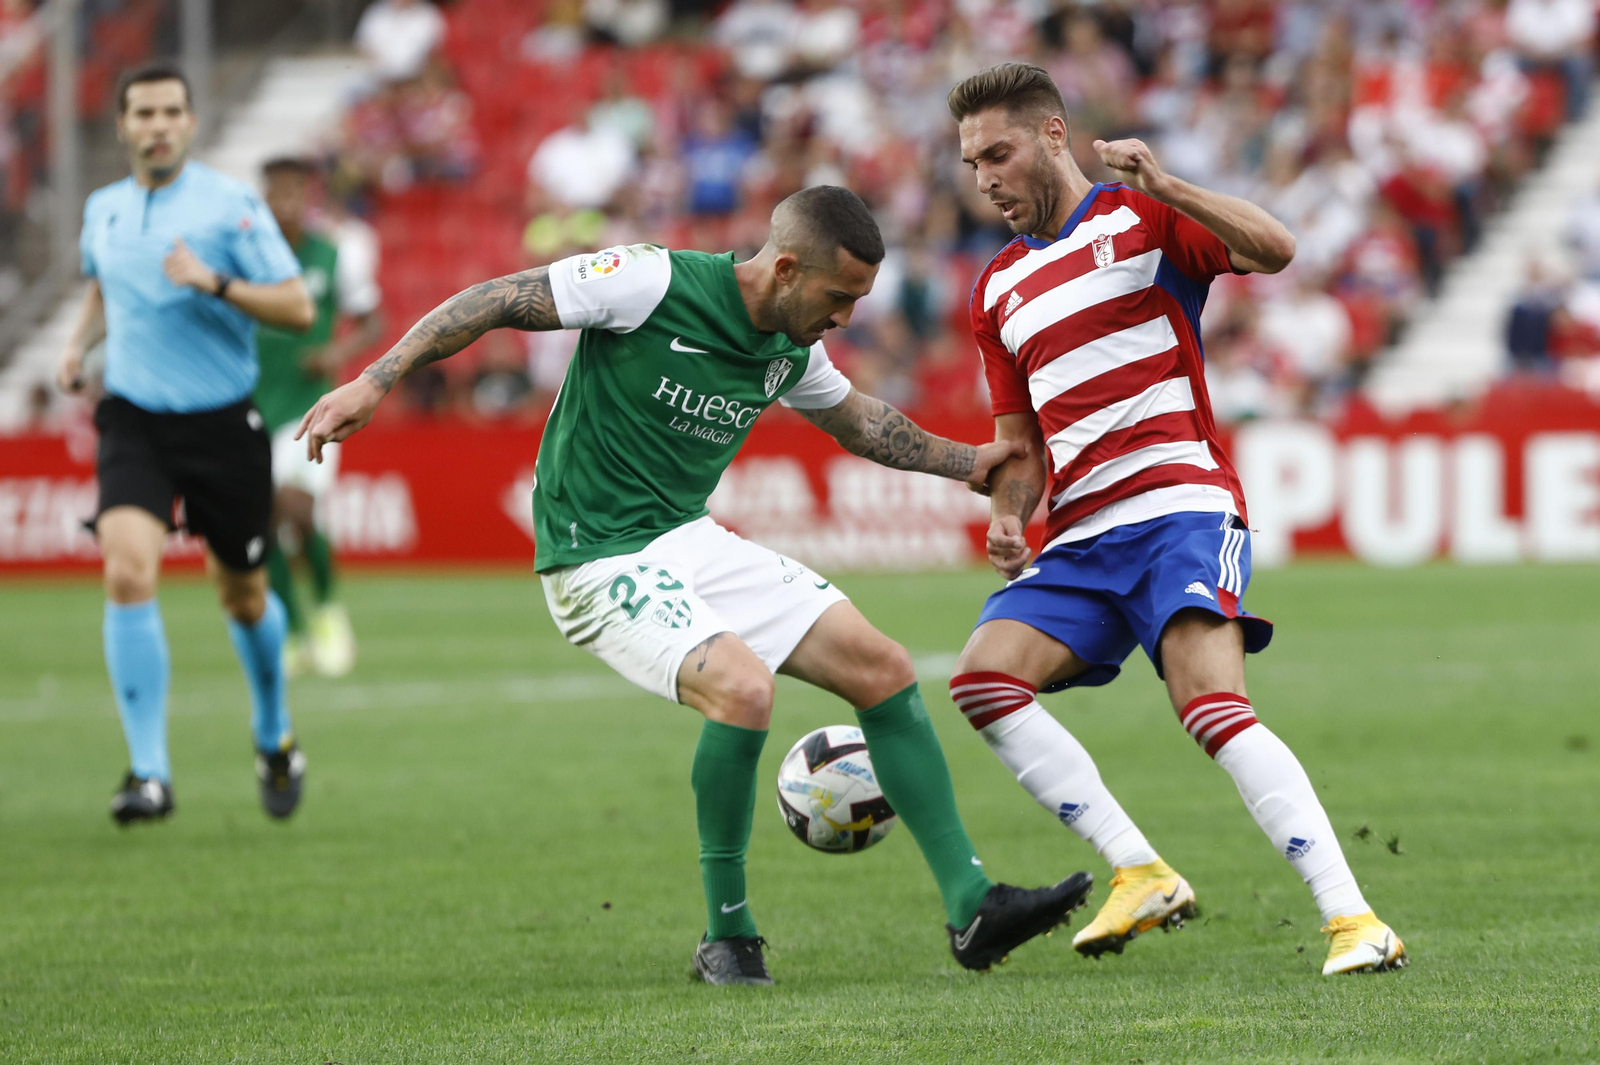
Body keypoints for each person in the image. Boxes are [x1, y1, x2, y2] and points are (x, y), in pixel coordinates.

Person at [299, 185, 1094, 984]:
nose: (847, 317)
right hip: (594, 554)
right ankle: (728, 935)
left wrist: (968, 463)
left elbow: (858, 422)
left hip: (687, 536)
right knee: (744, 691)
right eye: (839, 296)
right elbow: (496, 299)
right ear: (786, 268)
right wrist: (376, 379)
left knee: (883, 667)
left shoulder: (792, 345)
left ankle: (972, 905)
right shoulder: (648, 283)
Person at [944, 62, 1407, 977]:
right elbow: (1020, 445)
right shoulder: (996, 290)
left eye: (997, 152)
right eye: (969, 164)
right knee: (984, 683)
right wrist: (1007, 516)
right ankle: (1140, 868)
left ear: (1051, 135)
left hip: (1177, 506)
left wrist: (1164, 182)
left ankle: (1354, 918)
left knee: (1210, 706)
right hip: (1078, 535)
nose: (985, 177)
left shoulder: (1141, 220)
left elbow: (1275, 249)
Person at [55, 61, 315, 824]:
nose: (159, 125)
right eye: (144, 113)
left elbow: (297, 306)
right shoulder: (103, 208)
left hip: (221, 423)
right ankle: (149, 773)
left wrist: (214, 283)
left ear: (191, 123)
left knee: (242, 595)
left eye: (172, 112)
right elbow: (104, 283)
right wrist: (77, 346)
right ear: (124, 126)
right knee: (128, 571)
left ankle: (274, 732)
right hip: (134, 419)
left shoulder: (229, 206)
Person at [253, 156, 384, 677]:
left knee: (298, 510)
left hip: (310, 409)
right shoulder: (244, 259)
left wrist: (334, 355)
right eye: (275, 193)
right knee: (265, 521)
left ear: (307, 197)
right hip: (251, 406)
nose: (284, 203)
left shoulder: (333, 257)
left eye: (293, 193)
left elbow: (375, 321)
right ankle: (287, 631)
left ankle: (327, 609)